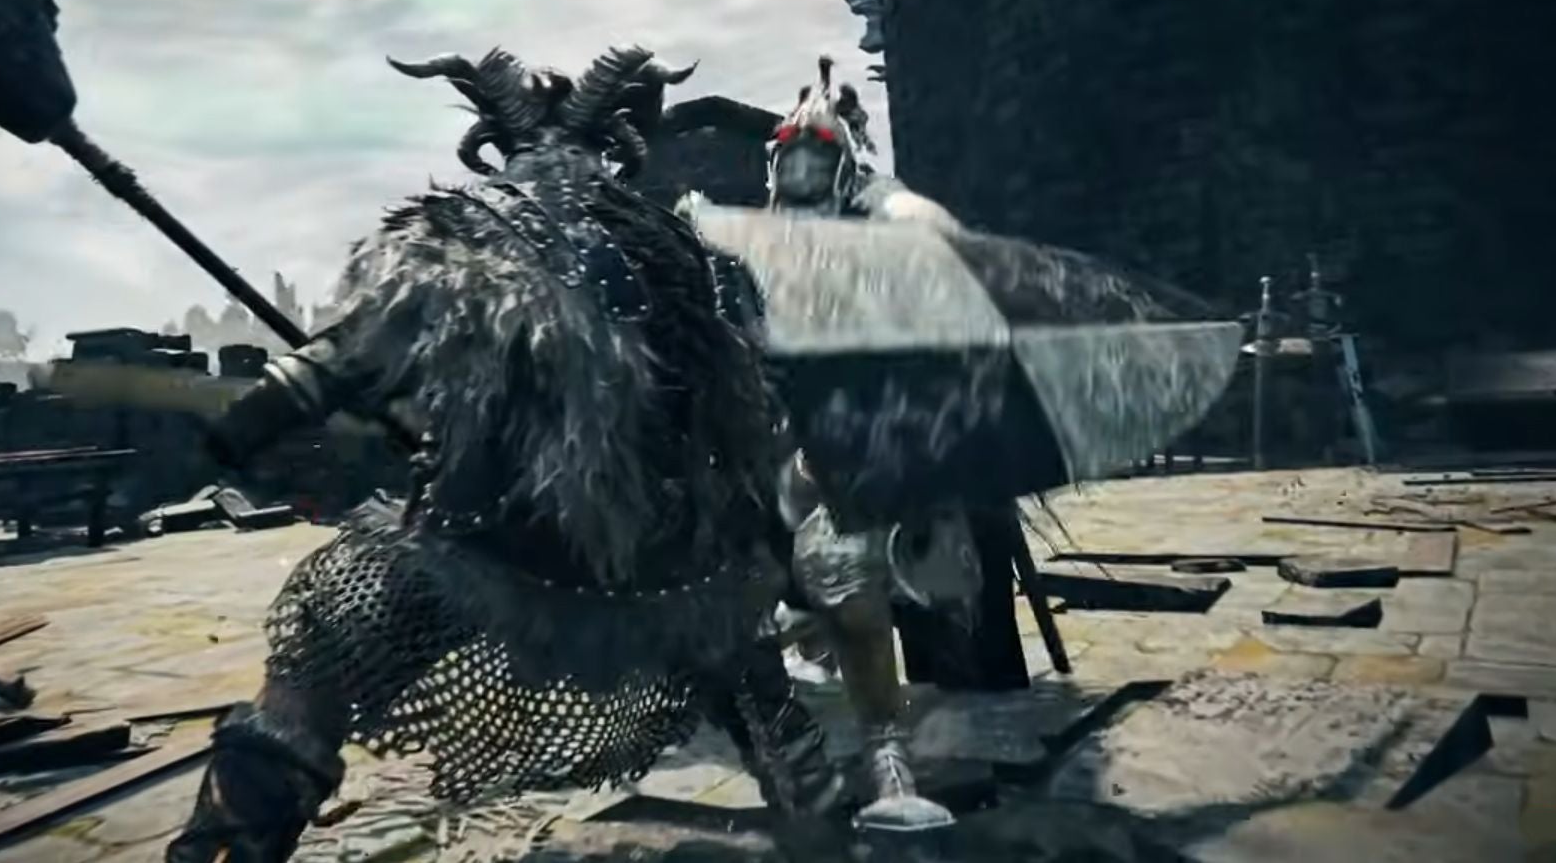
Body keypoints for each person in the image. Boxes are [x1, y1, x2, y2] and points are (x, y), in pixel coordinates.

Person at [166, 45, 851, 863]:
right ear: (613, 151)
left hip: (501, 553)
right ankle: (821, 828)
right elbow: (761, 415)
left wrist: (248, 419)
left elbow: (352, 353)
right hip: (686, 573)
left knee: (324, 642)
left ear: (497, 146)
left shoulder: (467, 228)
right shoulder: (698, 257)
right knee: (756, 688)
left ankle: (227, 848)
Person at [683, 56, 1001, 835]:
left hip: (859, 432)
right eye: (788, 160)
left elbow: (919, 224)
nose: (799, 174)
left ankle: (886, 751)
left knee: (843, 563)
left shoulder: (872, 219)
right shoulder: (750, 239)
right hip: (758, 436)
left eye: (814, 160)